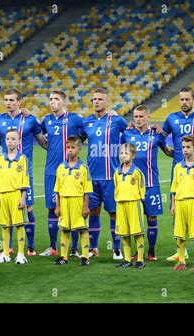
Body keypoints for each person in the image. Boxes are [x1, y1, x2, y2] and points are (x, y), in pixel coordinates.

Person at [161, 87, 194, 262]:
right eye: (181, 99)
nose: (184, 102)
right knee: (176, 209)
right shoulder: (171, 118)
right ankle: (181, 252)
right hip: (178, 169)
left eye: (187, 99)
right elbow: (161, 136)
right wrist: (167, 151)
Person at [0, 88, 47, 256]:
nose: (8, 103)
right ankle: (8, 246)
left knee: (27, 207)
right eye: (6, 100)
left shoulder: (30, 120)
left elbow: (43, 142)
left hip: (24, 172)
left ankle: (30, 247)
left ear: (19, 102)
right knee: (6, 208)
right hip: (5, 173)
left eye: (12, 100)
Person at [121, 105, 173, 260]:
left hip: (151, 183)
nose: (138, 119)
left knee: (151, 218)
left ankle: (151, 251)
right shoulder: (127, 133)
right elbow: (121, 154)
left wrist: (186, 154)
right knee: (135, 220)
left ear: (148, 117)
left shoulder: (156, 134)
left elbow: (168, 152)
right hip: (132, 185)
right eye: (136, 116)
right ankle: (138, 252)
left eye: (141, 116)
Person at [82, 88, 128, 259]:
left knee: (114, 212)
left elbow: (130, 132)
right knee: (93, 211)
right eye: (94, 99)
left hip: (111, 176)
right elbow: (76, 141)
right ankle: (93, 248)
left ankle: (117, 249)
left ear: (107, 102)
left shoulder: (118, 121)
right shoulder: (86, 122)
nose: (97, 102)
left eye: (100, 99)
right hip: (92, 176)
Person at [41, 90, 83, 257]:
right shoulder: (47, 120)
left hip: (71, 171)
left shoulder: (75, 119)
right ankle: (52, 247)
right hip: (51, 171)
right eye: (50, 99)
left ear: (64, 102)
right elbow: (40, 137)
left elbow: (86, 133)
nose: (52, 102)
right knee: (52, 209)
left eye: (56, 99)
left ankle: (74, 248)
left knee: (72, 209)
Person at [0, 129, 29, 264]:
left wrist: (23, 197)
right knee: (5, 226)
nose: (10, 141)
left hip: (16, 195)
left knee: (19, 225)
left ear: (18, 141)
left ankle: (20, 254)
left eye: (13, 139)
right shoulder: (0, 159)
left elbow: (25, 178)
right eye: (7, 139)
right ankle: (5, 254)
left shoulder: (22, 159)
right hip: (3, 196)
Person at [53, 136, 92, 266]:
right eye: (68, 147)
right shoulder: (60, 167)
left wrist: (86, 206)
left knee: (82, 229)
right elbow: (57, 190)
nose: (70, 150)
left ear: (79, 149)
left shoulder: (83, 168)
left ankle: (85, 257)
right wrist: (57, 206)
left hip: (78, 202)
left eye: (73, 147)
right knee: (64, 229)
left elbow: (87, 190)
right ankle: (63, 256)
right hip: (64, 202)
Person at [170, 135, 194, 271]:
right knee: (179, 236)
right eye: (183, 147)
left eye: (188, 147)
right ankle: (181, 262)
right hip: (179, 204)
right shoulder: (178, 167)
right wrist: (173, 205)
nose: (185, 150)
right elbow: (173, 187)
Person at [113, 143, 146, 269]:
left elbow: (142, 188)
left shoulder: (137, 172)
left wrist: (138, 200)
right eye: (121, 153)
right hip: (121, 204)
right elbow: (116, 187)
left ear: (133, 155)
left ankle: (140, 259)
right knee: (124, 233)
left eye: (126, 153)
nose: (123, 155)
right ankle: (127, 259)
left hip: (134, 204)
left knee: (137, 233)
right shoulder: (117, 172)